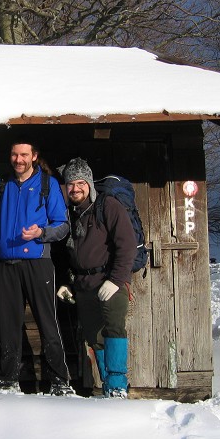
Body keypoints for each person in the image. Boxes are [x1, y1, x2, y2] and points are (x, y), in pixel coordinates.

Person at [0, 138, 73, 395]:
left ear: (34, 156)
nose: (19, 160)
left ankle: (59, 380)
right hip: (5, 264)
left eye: (24, 155)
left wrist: (40, 233)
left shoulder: (48, 184)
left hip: (38, 262)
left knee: (47, 322)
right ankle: (8, 379)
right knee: (8, 324)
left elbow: (62, 225)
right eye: (15, 154)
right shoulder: (0, 185)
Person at [57, 157, 136, 398]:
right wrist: (66, 282)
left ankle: (118, 385)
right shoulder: (69, 214)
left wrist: (116, 280)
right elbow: (66, 253)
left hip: (109, 281)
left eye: (80, 183)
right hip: (83, 285)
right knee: (94, 337)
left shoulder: (107, 206)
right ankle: (107, 385)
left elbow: (127, 245)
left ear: (89, 184)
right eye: (71, 184)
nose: (75, 188)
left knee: (113, 330)